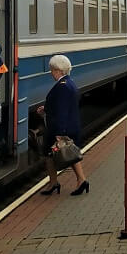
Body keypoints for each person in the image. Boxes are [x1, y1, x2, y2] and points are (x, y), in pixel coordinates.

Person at [37, 54, 87, 196]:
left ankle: (55, 183)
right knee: (70, 153)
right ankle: (80, 180)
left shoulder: (62, 87)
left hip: (59, 128)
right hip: (68, 125)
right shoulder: (69, 82)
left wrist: (60, 133)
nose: (51, 73)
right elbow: (62, 106)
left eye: (52, 70)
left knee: (50, 153)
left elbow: (62, 111)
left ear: (59, 70)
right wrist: (46, 109)